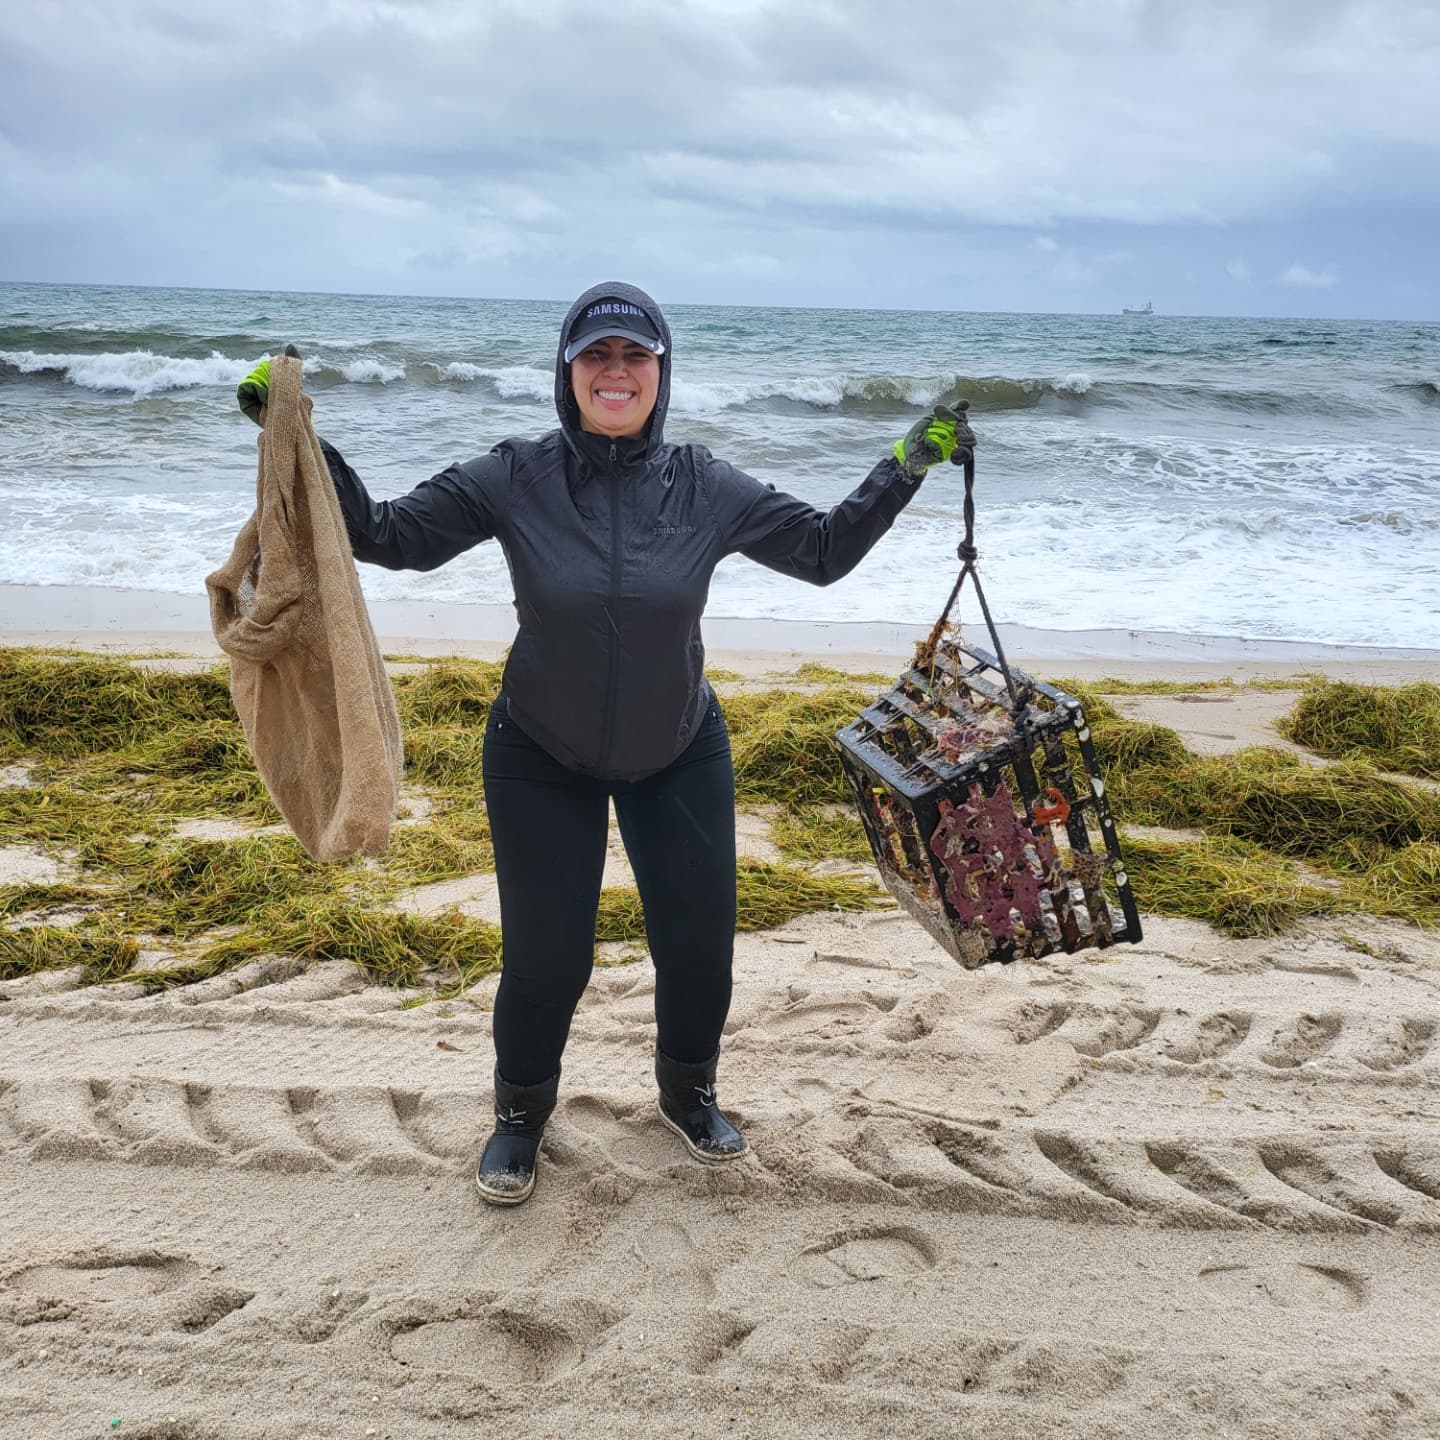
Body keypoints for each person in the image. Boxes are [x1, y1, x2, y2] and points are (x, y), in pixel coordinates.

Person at [236, 281, 964, 1206]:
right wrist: (292, 431)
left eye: (635, 356)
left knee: (697, 950)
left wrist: (906, 462)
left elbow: (822, 553)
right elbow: (387, 536)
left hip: (679, 745)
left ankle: (688, 1095)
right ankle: (518, 1118)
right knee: (549, 961)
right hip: (539, 751)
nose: (615, 372)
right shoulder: (516, 475)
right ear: (568, 371)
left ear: (661, 372)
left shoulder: (706, 484)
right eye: (597, 356)